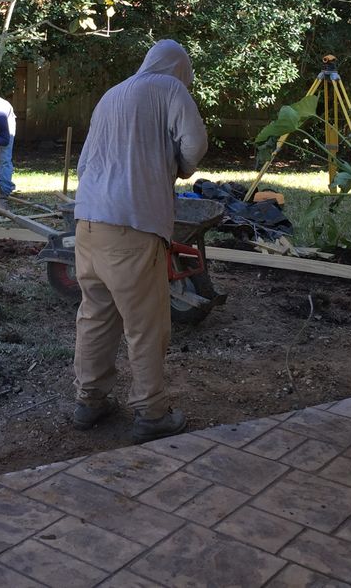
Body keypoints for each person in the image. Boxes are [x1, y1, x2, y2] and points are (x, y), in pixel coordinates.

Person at [71, 39, 208, 442]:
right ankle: (151, 413)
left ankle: (89, 401)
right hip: (132, 227)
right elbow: (195, 145)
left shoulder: (112, 94)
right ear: (180, 68)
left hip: (89, 223)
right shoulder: (171, 89)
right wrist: (180, 167)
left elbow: (84, 163)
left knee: (95, 316)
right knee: (146, 325)